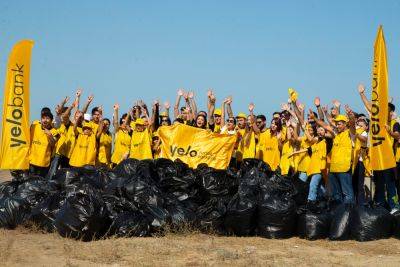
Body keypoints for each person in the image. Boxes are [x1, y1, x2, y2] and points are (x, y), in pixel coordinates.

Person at [29, 108, 58, 177]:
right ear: (41, 119)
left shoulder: (55, 132)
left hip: (44, 163)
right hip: (31, 161)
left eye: (47, 118)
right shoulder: (34, 126)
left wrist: (50, 135)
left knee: (41, 183)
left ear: (51, 120)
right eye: (43, 118)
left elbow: (53, 144)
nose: (45, 120)